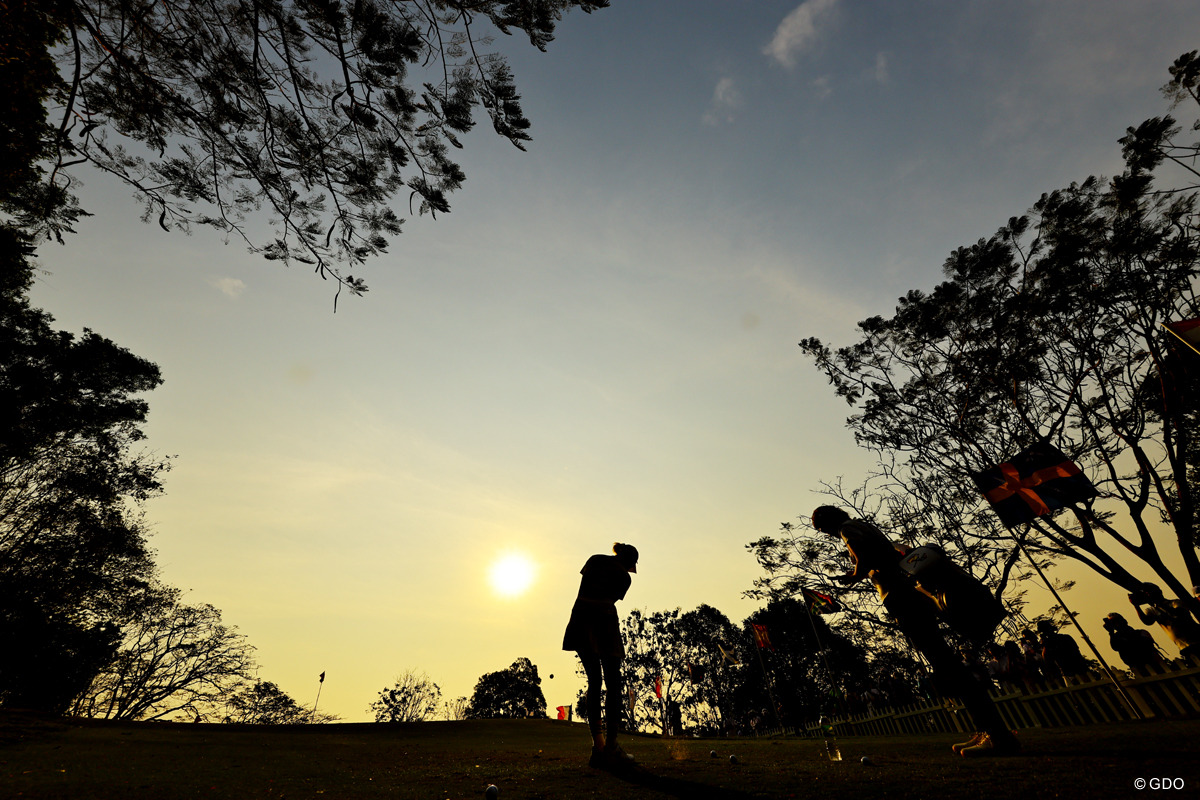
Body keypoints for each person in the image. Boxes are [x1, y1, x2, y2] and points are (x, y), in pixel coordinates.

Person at [811, 505, 1019, 757]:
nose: (827, 534)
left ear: (829, 522)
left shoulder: (847, 528)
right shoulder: (862, 526)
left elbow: (863, 555)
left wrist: (855, 575)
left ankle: (996, 735)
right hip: (906, 593)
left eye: (822, 529)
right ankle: (989, 730)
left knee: (946, 664)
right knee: (946, 664)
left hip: (900, 595)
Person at [562, 542, 639, 768]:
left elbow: (584, 589)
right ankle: (611, 748)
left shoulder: (595, 559)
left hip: (580, 618)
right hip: (603, 620)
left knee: (594, 681)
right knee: (613, 683)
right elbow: (609, 599)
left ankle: (599, 747)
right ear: (629, 562)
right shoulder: (624, 578)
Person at [1128, 582, 1200, 661]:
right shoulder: (1151, 610)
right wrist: (1136, 605)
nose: (1149, 594)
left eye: (1149, 592)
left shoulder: (1175, 602)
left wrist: (1158, 605)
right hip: (1183, 647)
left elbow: (1178, 612)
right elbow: (1147, 622)